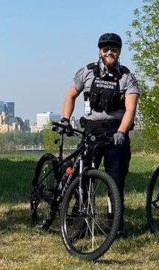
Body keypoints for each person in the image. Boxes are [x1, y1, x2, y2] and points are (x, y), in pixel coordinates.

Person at [60, 33, 140, 237]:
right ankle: (81, 221)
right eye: (106, 49)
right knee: (84, 176)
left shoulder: (127, 77)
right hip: (92, 130)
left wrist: (122, 131)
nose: (110, 52)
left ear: (119, 52)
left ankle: (115, 225)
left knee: (116, 180)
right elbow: (70, 95)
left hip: (116, 132)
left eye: (114, 49)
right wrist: (65, 119)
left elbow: (130, 109)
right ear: (99, 51)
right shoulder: (87, 72)